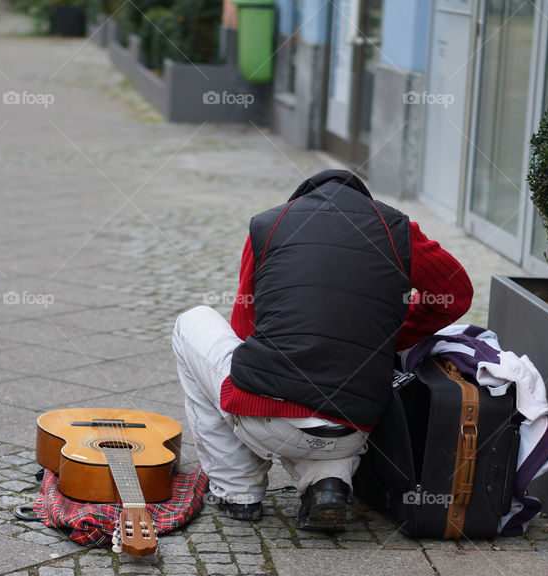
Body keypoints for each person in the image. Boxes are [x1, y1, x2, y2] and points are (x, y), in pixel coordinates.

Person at [172, 170, 473, 530]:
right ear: (366, 200)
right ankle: (328, 482)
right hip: (353, 431)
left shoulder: (270, 224)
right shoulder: (398, 229)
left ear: (299, 199)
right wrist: (389, 338)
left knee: (191, 322)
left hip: (267, 419)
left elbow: (244, 329)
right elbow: (456, 294)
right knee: (328, 411)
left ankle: (237, 489)